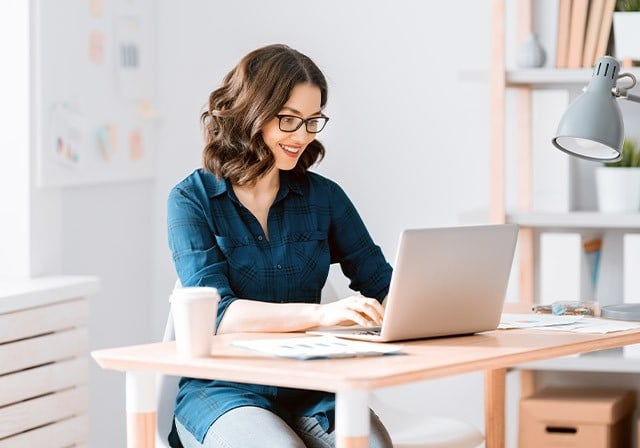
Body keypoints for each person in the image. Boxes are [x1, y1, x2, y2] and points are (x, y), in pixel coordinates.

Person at [167, 43, 394, 448]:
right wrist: (324, 315)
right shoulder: (192, 200)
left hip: (313, 384)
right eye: (288, 120)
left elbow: (381, 282)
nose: (302, 136)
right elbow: (218, 312)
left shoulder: (324, 197)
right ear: (249, 113)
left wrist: (430, 308)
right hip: (225, 389)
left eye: (312, 121)